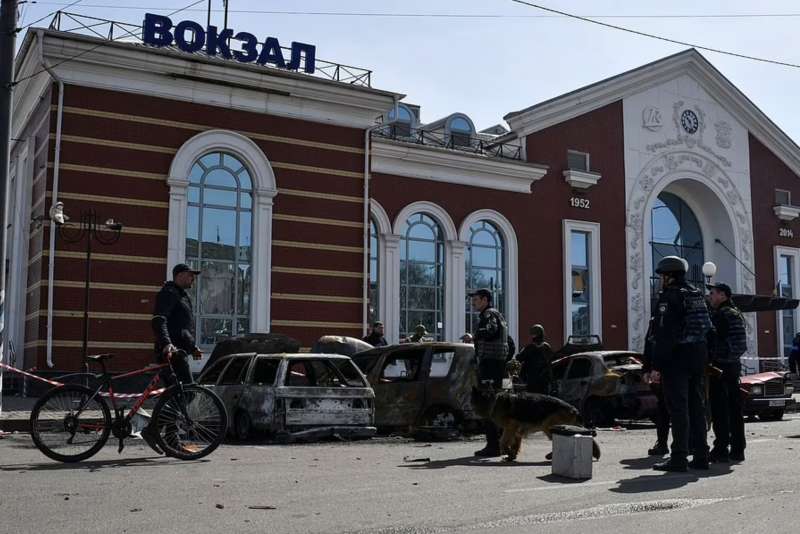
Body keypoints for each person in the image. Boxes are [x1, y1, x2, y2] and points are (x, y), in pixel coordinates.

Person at [646, 256, 712, 472]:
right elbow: (707, 330)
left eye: (662, 276)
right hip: (697, 358)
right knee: (697, 408)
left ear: (669, 276)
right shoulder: (696, 294)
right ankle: (701, 456)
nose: (661, 280)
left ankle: (679, 457)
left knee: (678, 409)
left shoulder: (670, 297)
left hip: (677, 360)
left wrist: (656, 366)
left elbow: (665, 334)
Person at [146, 263, 204, 454]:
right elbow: (159, 320)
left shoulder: (180, 295)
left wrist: (192, 347)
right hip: (170, 353)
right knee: (188, 392)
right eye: (190, 275)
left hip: (179, 351)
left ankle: (171, 439)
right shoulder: (169, 293)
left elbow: (181, 329)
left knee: (177, 395)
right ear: (179, 275)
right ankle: (153, 430)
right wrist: (166, 344)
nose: (193, 279)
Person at [706, 282, 747, 463]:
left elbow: (715, 339)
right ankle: (738, 449)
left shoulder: (721, 314)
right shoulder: (735, 312)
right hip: (733, 366)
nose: (710, 297)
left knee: (720, 410)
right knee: (735, 409)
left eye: (713, 293)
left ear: (723, 295)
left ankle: (721, 448)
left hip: (721, 367)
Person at [470, 288, 509, 457]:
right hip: (497, 365)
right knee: (498, 405)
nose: (473, 302)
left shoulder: (489, 315)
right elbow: (511, 344)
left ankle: (493, 446)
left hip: (490, 366)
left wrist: (476, 335)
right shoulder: (498, 316)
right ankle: (501, 444)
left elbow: (490, 331)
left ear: (485, 300)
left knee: (488, 405)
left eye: (476, 299)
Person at [514, 324, 554, 394]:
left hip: (532, 380)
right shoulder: (547, 347)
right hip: (544, 381)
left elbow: (518, 358)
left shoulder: (529, 348)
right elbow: (551, 363)